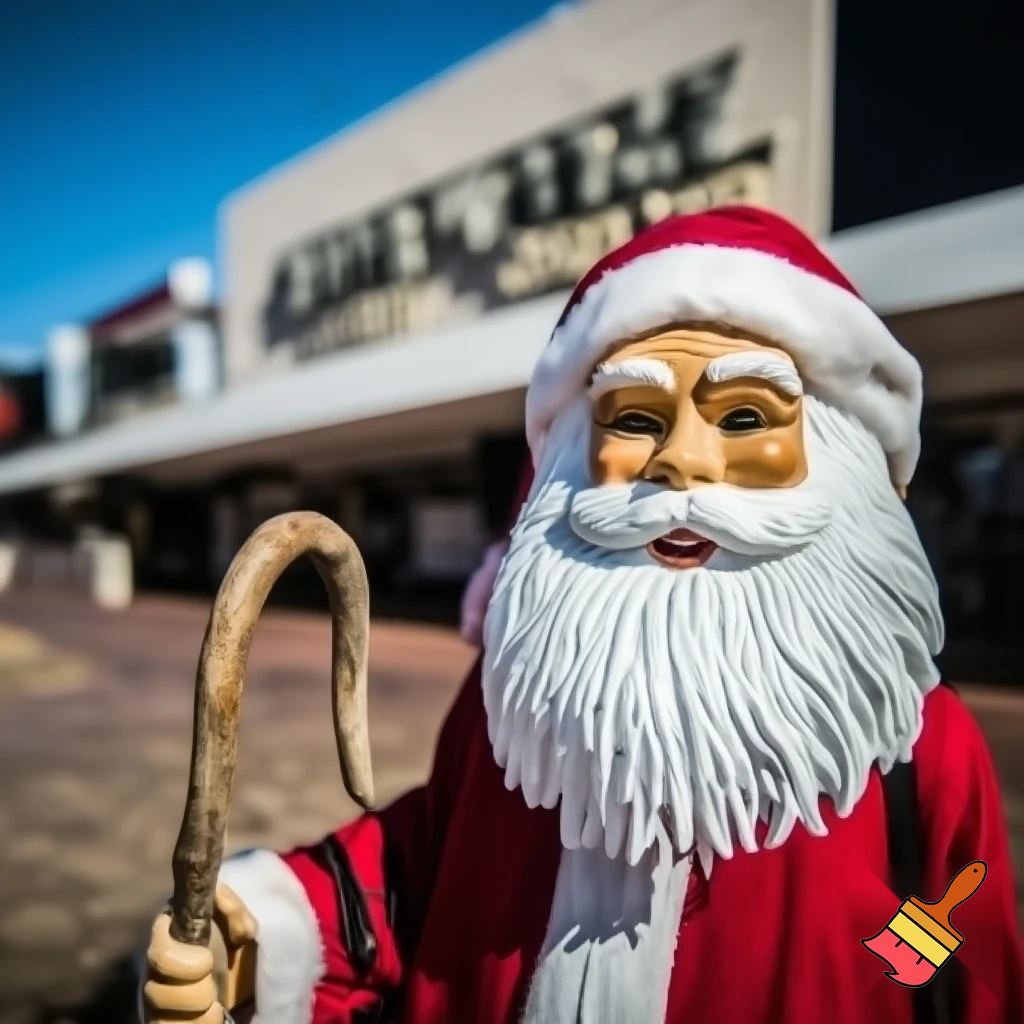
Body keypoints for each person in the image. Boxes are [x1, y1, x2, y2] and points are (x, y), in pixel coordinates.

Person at [142, 207, 1022, 1024]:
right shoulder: (510, 713)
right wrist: (270, 933)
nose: (680, 462)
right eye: (635, 417)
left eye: (745, 415)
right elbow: (430, 873)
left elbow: (962, 972)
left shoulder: (921, 759)